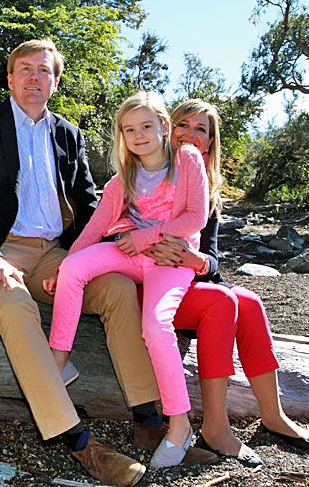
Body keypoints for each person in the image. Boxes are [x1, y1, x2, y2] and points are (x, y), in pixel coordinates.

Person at [0, 39, 158, 486]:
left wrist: (111, 245)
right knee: (15, 302)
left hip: (58, 254)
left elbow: (90, 202)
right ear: (10, 78)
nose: (34, 78)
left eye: (44, 70)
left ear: (56, 82)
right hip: (0, 250)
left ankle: (151, 422)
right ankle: (80, 443)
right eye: (24, 69)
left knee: (116, 288)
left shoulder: (67, 133)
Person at [142, 98, 309, 465]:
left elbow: (211, 261)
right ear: (167, 129)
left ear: (210, 143)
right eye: (183, 125)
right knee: (221, 303)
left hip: (185, 282)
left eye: (201, 130)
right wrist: (155, 248)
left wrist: (196, 261)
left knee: (250, 301)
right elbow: (122, 232)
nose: (190, 135)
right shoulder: (147, 171)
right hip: (148, 288)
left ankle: (273, 416)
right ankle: (215, 428)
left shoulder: (205, 189)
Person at [43, 91, 209, 468]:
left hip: (170, 260)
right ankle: (60, 360)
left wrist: (144, 237)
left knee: (154, 325)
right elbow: (95, 229)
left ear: (165, 127)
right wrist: (62, 265)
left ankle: (179, 425)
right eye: (129, 129)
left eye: (147, 126)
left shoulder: (187, 159)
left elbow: (195, 219)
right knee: (74, 268)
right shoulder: (123, 179)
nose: (138, 135)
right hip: (133, 255)